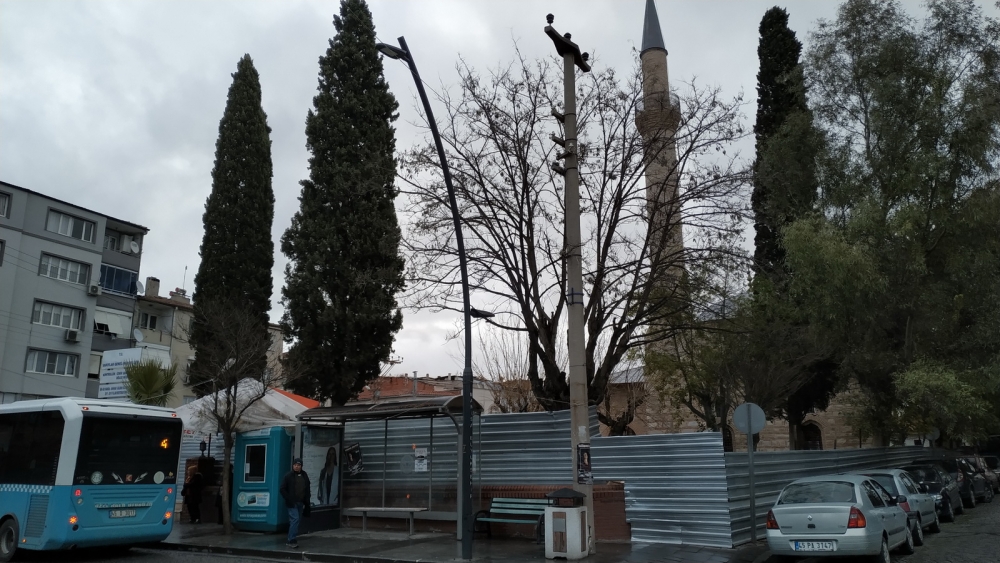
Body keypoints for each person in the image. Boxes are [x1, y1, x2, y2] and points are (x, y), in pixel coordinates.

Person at [279, 458, 311, 549]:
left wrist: (307, 502)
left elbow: (307, 488)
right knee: (295, 519)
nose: (296, 467)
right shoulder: (288, 476)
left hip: (301, 502)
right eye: (295, 465)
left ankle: (292, 538)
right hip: (292, 503)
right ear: (293, 466)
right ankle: (291, 540)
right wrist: (288, 498)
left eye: (298, 465)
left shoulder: (304, 475)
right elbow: (282, 489)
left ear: (301, 466)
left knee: (296, 520)